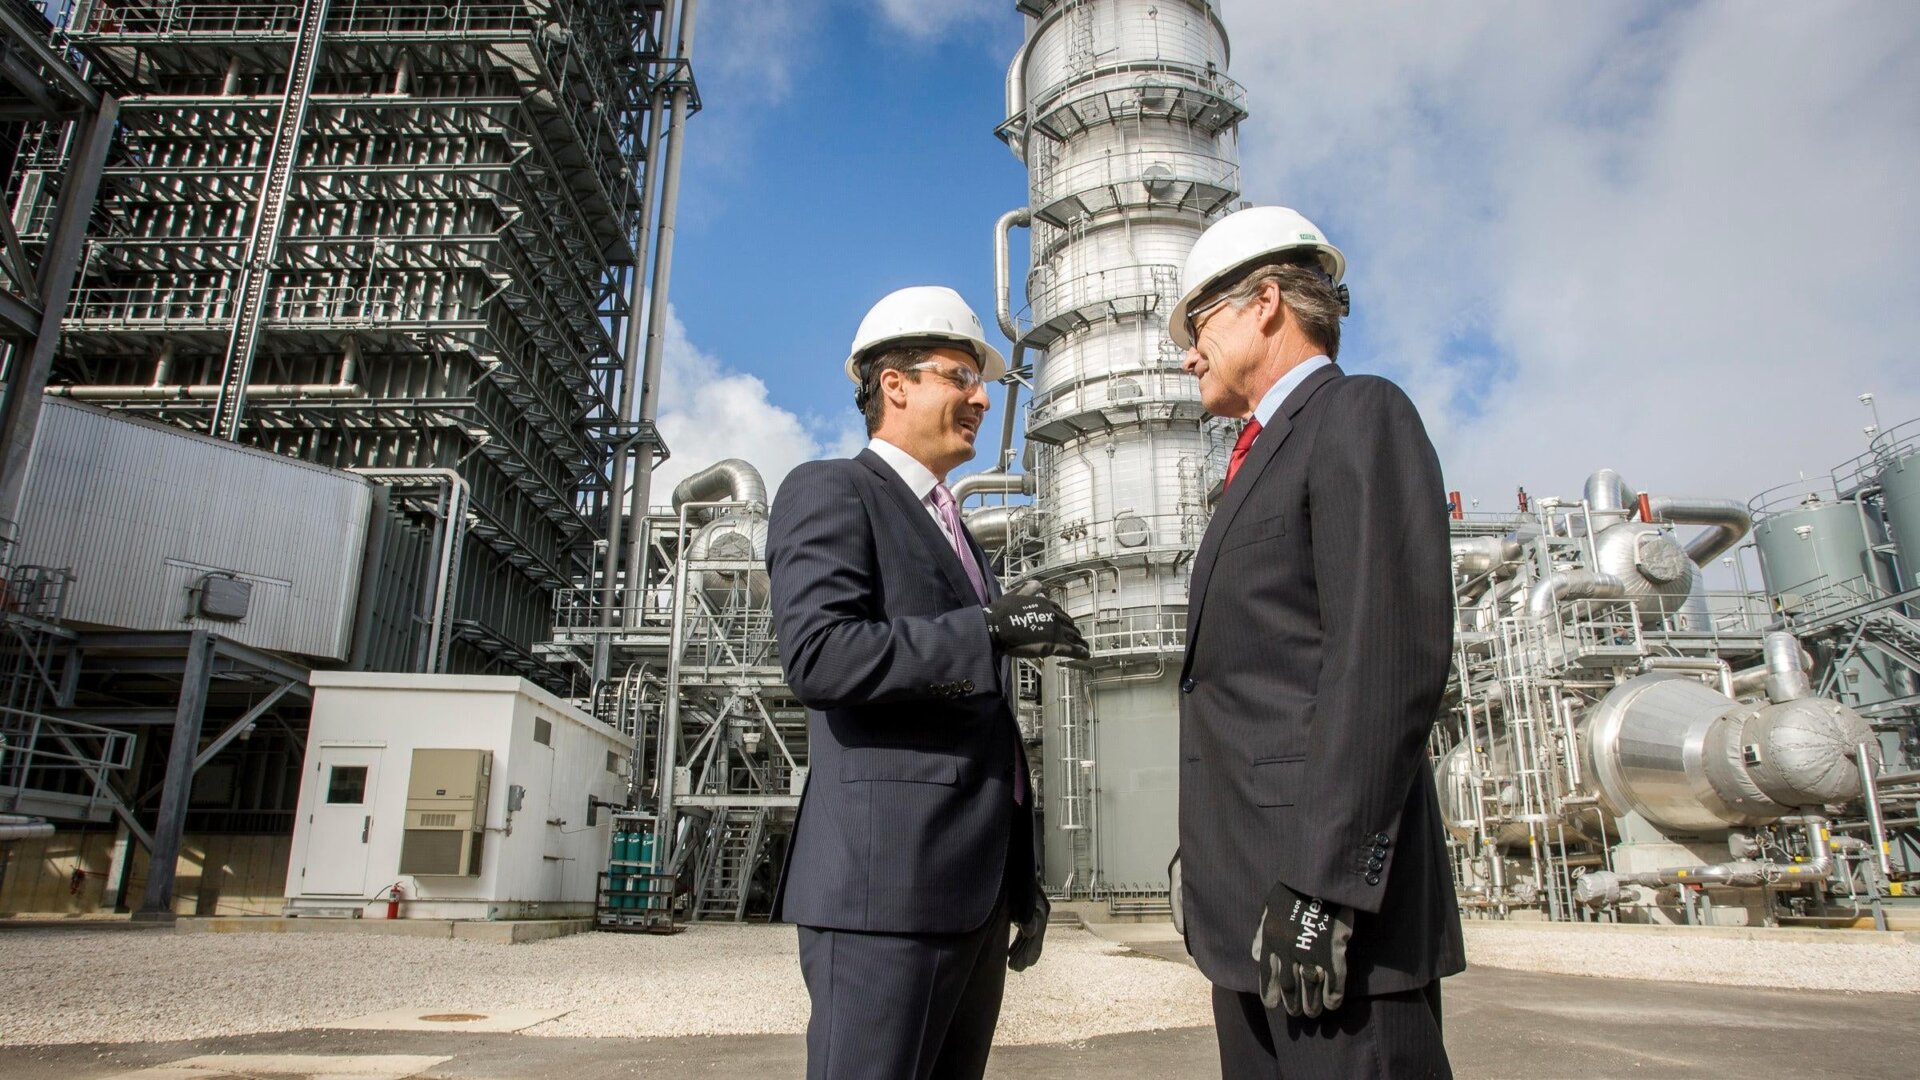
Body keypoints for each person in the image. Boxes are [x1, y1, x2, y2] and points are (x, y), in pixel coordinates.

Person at [767, 285, 1091, 1080]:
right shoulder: (833, 490)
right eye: (959, 375)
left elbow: (983, 733)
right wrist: (981, 630)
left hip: (969, 895)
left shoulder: (961, 538)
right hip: (886, 894)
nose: (982, 396)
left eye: (979, 380)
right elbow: (820, 655)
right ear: (895, 384)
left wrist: (1020, 876)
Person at [1168, 207, 1464, 1077]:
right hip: (1248, 918)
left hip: (1332, 923)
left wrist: (1322, 891)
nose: (1189, 353)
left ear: (1263, 304)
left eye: (1198, 325)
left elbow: (1387, 660)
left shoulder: (1357, 415)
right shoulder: (1253, 462)